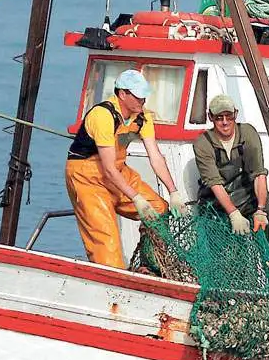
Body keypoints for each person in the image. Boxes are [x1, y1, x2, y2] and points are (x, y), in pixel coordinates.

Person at [65, 69, 187, 268]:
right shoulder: (103, 116)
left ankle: (152, 265)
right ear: (122, 94)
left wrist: (174, 192)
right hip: (87, 177)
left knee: (159, 209)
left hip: (118, 171)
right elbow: (108, 168)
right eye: (138, 96)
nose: (143, 101)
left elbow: (155, 157)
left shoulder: (143, 118)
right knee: (107, 246)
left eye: (144, 96)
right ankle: (111, 283)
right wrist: (136, 198)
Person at [192, 94, 269, 276]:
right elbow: (215, 184)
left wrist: (260, 210)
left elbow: (259, 174)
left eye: (229, 116)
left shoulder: (248, 133)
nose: (225, 122)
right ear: (211, 118)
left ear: (236, 115)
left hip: (247, 193)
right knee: (223, 232)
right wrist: (234, 213)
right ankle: (228, 275)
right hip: (217, 200)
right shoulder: (202, 143)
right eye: (219, 118)